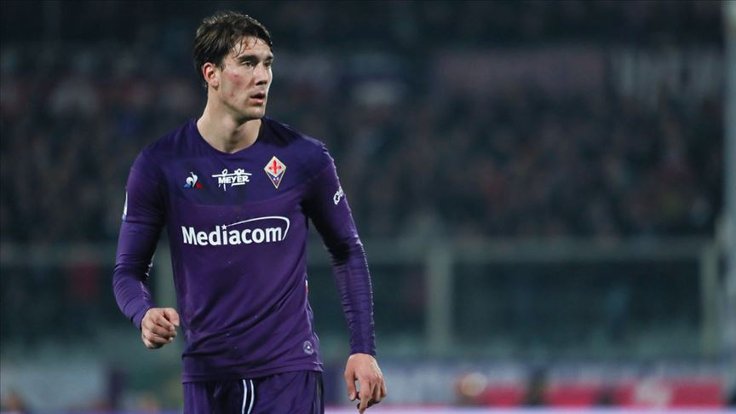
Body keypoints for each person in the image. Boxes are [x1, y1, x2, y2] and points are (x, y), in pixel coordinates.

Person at [113, 10, 386, 414]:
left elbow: (347, 251)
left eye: (267, 64)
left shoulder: (303, 158)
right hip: (206, 376)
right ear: (211, 74)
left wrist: (362, 349)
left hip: (287, 374)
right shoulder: (161, 165)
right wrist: (144, 313)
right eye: (247, 63)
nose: (262, 77)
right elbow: (127, 271)